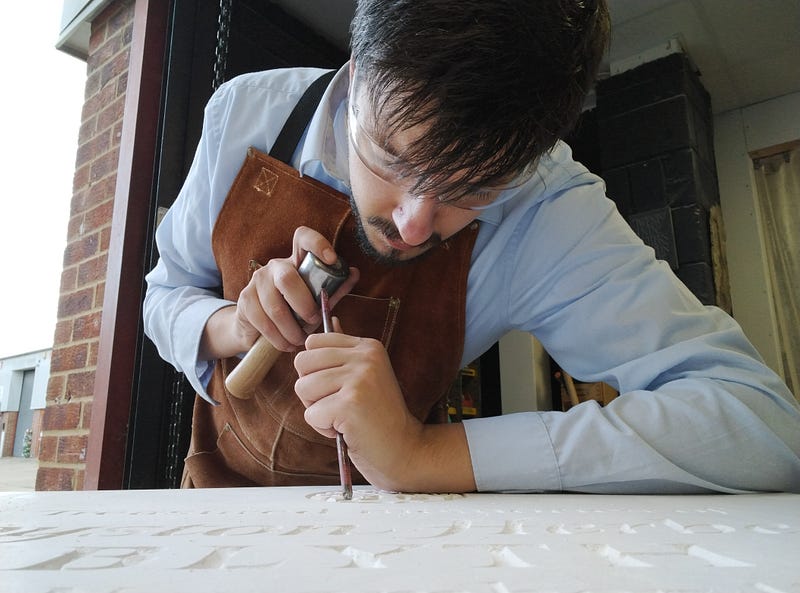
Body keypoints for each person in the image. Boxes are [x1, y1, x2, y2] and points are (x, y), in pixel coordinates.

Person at [144, 0, 800, 493]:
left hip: (390, 531)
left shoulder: (548, 208)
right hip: (213, 503)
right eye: (388, 155)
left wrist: (421, 454)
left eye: (474, 186)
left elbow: (761, 426)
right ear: (356, 67)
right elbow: (163, 293)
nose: (412, 223)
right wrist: (231, 326)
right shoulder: (245, 116)